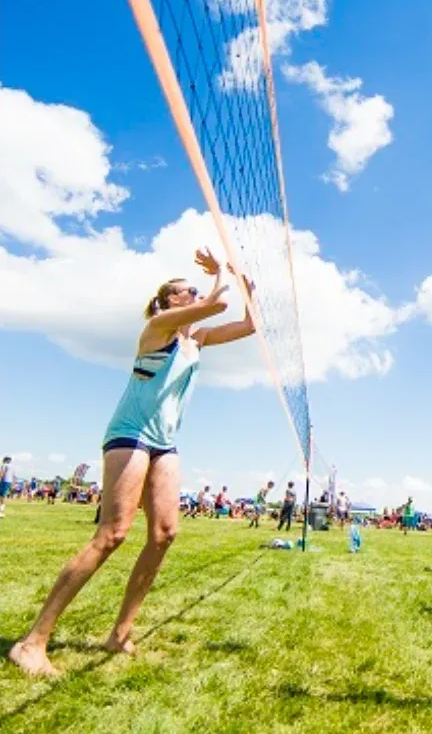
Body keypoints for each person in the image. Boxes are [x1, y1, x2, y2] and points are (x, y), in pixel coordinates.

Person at [9, 250, 257, 678]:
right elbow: (217, 305)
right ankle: (32, 643)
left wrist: (249, 292)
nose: (195, 295)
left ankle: (120, 633)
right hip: (130, 436)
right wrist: (220, 278)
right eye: (187, 291)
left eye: (195, 290)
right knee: (113, 534)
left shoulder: (195, 341)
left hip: (165, 442)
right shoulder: (157, 328)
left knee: (165, 533)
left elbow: (249, 325)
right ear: (167, 302)